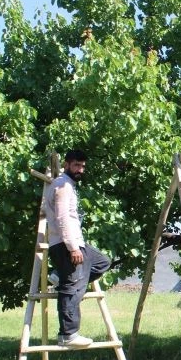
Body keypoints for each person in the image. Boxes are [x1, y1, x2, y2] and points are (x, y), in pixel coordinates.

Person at [45, 149, 111, 348]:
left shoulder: (67, 185)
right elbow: (63, 219)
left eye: (82, 166)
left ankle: (58, 274)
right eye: (76, 165)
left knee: (101, 262)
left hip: (75, 243)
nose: (80, 169)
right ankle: (68, 334)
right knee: (72, 286)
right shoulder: (63, 185)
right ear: (66, 164)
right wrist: (73, 248)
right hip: (67, 245)